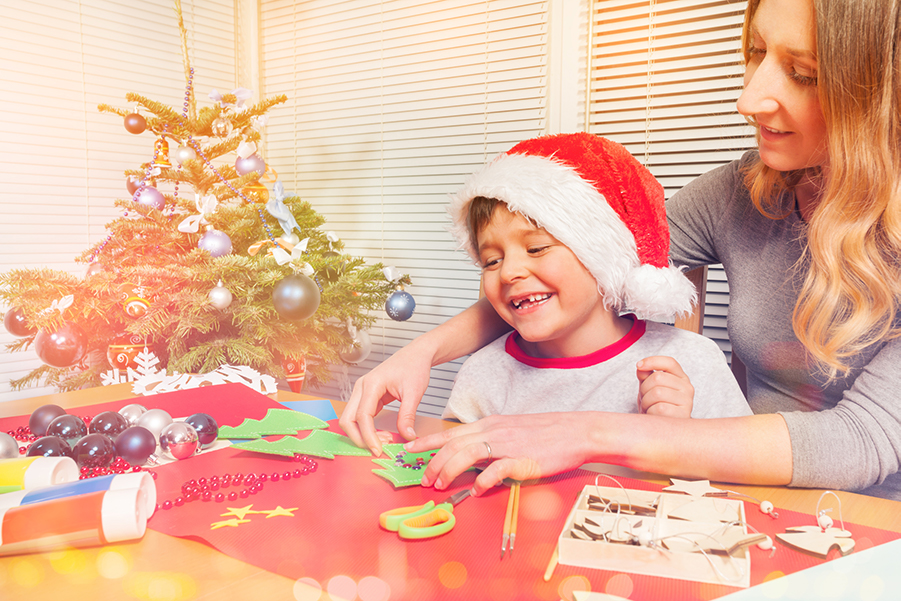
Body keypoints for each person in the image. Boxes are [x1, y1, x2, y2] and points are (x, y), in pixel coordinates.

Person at [340, 0, 901, 500]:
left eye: (803, 73)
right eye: (755, 52)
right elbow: (586, 264)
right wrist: (422, 352)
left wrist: (587, 431)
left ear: (882, 91)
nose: (747, 98)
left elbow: (864, 438)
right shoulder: (744, 189)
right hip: (758, 497)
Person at [441, 132, 751, 423]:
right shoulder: (482, 376)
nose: (508, 272)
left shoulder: (691, 362)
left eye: (536, 248)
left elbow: (743, 474)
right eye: (491, 260)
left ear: (601, 255)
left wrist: (679, 437)